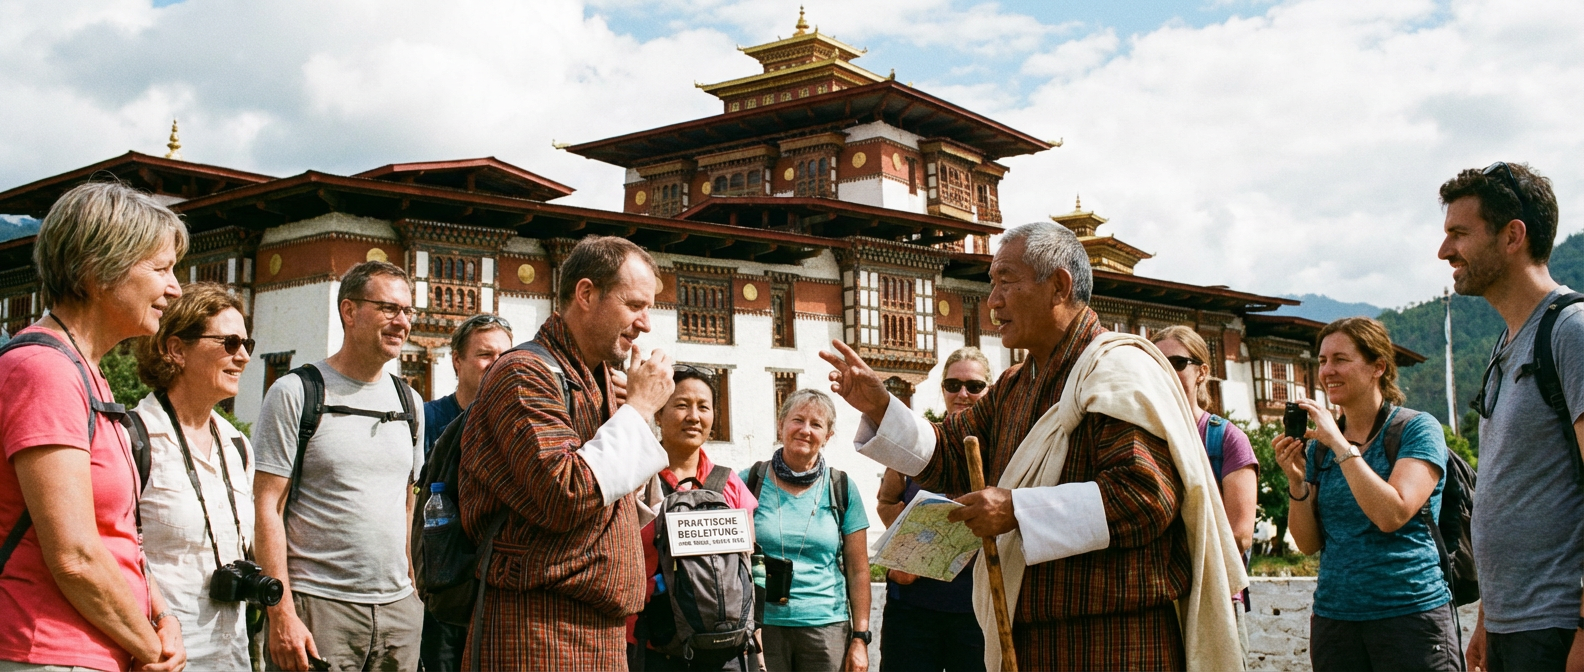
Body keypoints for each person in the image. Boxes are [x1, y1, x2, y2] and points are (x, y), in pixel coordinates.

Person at [824, 221, 1245, 671]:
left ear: (1059, 286)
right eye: (991, 285)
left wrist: (1017, 509)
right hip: (1028, 639)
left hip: (1116, 640)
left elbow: (1145, 497)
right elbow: (946, 453)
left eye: (1006, 281)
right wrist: (882, 405)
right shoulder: (1013, 386)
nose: (993, 301)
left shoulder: (1117, 371)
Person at [459, 235, 676, 671]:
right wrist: (639, 410)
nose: (646, 323)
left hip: (598, 630)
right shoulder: (523, 373)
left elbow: (616, 499)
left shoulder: (594, 380)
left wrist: (629, 411)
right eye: (635, 305)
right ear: (586, 293)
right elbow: (566, 493)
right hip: (538, 627)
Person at [0, 181, 188, 671]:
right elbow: (75, 556)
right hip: (44, 649)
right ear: (97, 271)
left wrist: (160, 614)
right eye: (161, 269)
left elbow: (116, 531)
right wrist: (151, 650)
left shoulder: (86, 372)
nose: (175, 288)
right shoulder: (44, 371)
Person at [1438, 163, 1584, 672]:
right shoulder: (1507, 344)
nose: (1444, 251)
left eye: (1459, 233)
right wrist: (1486, 619)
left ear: (1512, 236)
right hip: (1511, 628)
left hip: (1559, 627)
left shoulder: (1572, 332)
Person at [253, 261, 427, 671]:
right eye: (388, 308)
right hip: (319, 608)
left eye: (407, 311)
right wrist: (280, 613)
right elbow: (266, 507)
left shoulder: (409, 403)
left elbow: (407, 504)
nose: (401, 322)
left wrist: (414, 594)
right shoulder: (297, 392)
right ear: (349, 311)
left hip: (398, 612)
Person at [1273, 317, 1457, 671]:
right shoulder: (1321, 448)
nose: (1327, 371)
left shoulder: (1416, 429)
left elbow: (1392, 514)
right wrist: (1296, 483)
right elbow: (1309, 543)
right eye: (1322, 361)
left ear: (1378, 367)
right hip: (1335, 620)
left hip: (1410, 616)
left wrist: (1341, 445)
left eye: (1340, 359)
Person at [132, 282, 257, 671]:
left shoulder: (237, 445)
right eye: (229, 343)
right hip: (160, 657)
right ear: (176, 349)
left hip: (232, 656)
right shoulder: (133, 439)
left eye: (247, 345)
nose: (243, 357)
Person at [630, 366, 760, 671]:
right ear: (658, 415)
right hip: (652, 645)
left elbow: (748, 572)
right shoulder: (634, 479)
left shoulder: (730, 484)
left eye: (703, 406)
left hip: (723, 650)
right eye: (681, 405)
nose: (694, 416)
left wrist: (757, 653)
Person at [874, 347, 991, 672]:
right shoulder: (920, 441)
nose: (963, 394)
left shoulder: (1002, 448)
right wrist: (906, 550)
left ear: (989, 390)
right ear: (942, 389)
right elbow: (886, 500)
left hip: (975, 610)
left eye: (975, 386)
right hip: (913, 606)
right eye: (953, 385)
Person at [743, 389, 871, 672]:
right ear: (781, 425)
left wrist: (860, 638)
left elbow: (859, 569)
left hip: (827, 628)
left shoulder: (842, 488)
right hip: (762, 627)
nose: (805, 430)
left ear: (828, 436)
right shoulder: (749, 481)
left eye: (816, 424)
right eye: (797, 420)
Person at [1150, 326, 1259, 652]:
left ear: (1202, 372)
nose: (1168, 371)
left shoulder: (1226, 439)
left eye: (1178, 362)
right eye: (1158, 363)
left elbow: (1240, 535)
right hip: (1157, 600)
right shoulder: (1144, 437)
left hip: (1216, 596)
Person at [419, 313, 511, 672]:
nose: (496, 365)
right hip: (441, 587)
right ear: (457, 360)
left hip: (495, 586)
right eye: (485, 355)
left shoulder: (515, 424)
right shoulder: (429, 419)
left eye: (505, 357)